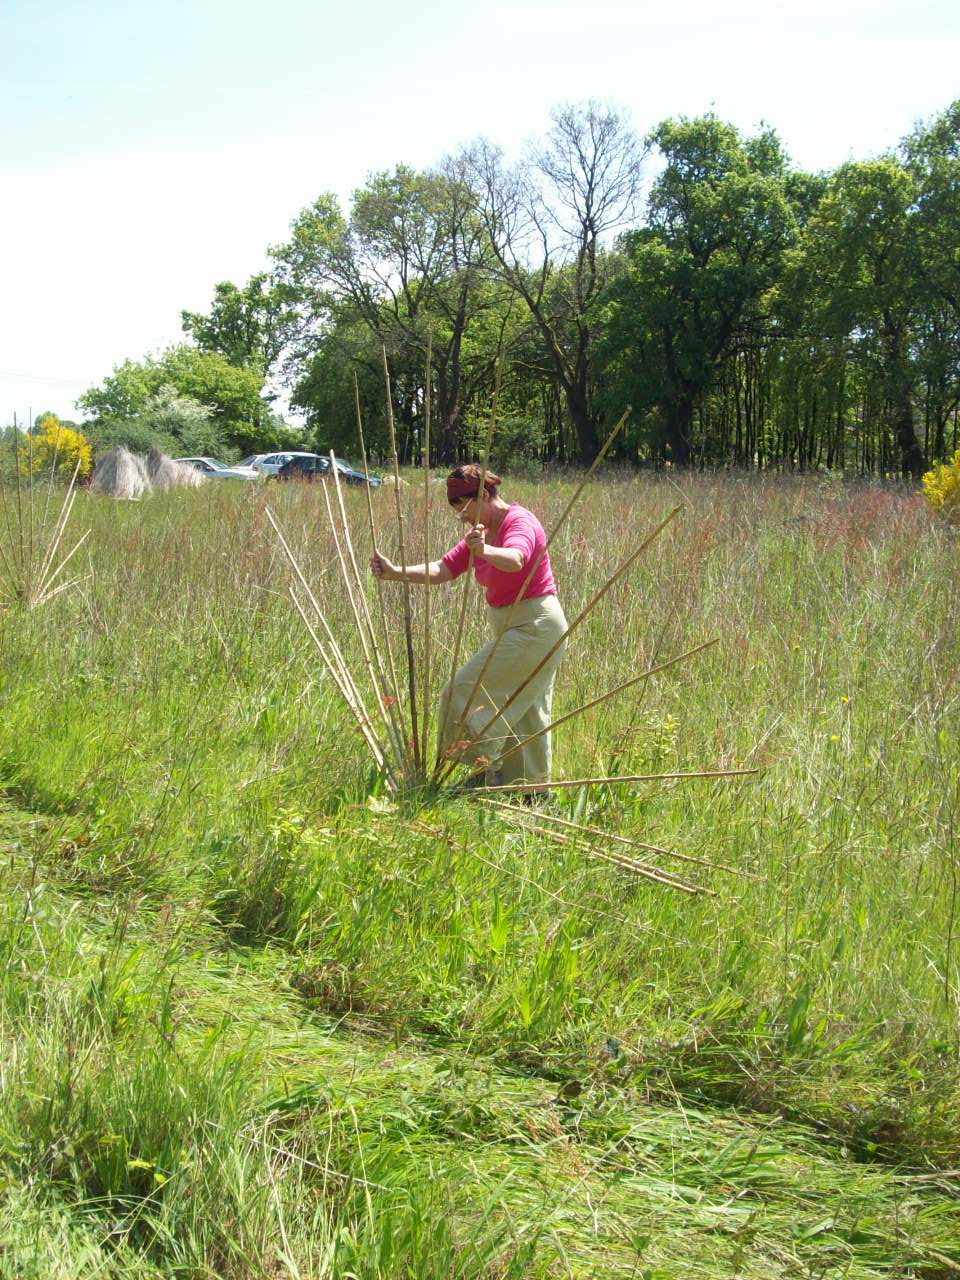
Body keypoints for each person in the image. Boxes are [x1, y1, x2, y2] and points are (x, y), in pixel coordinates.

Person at [369, 463, 566, 790]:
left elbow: (517, 558)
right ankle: (528, 792)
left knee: (463, 692)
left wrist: (485, 550)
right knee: (527, 713)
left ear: (486, 495)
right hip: (522, 627)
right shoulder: (479, 534)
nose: (460, 514)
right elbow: (443, 569)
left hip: (535, 626)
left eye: (463, 505)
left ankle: (486, 771)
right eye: (455, 507)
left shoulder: (519, 521)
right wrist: (394, 572)